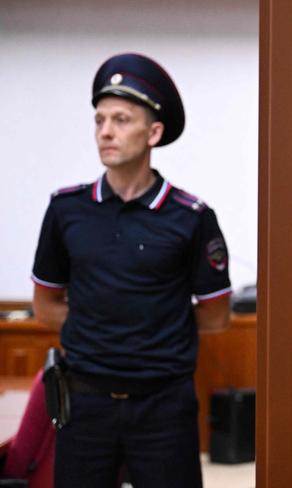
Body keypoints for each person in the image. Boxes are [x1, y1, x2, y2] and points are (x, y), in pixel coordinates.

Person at [31, 53, 232, 487]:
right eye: (100, 119)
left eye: (121, 119)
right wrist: (104, 323)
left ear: (153, 132)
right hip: (85, 405)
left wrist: (152, 326)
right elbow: (45, 304)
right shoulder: (66, 210)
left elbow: (216, 316)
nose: (105, 131)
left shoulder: (190, 217)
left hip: (164, 407)